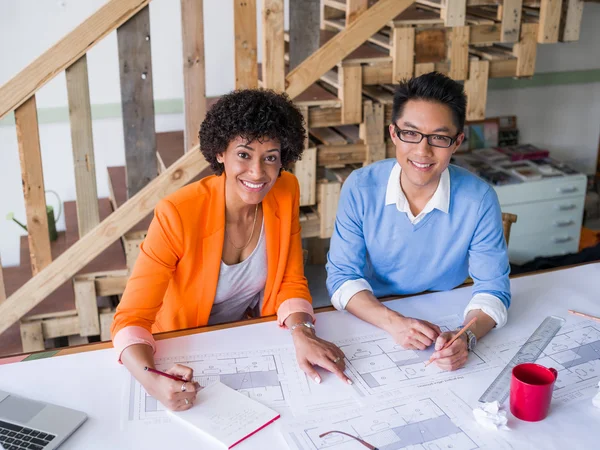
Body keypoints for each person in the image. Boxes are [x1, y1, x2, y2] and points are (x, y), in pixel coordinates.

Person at [112, 89, 350, 412]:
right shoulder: (177, 214)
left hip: (244, 341)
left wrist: (302, 331)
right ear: (220, 152)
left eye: (270, 157)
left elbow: (290, 281)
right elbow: (130, 319)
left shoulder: (285, 192)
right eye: (244, 154)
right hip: (179, 351)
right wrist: (152, 379)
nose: (257, 172)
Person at [326, 72, 510, 371]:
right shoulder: (360, 187)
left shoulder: (479, 198)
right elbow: (342, 277)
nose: (422, 151)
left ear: (457, 141)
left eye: (439, 137)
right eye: (410, 133)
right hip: (374, 313)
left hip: (448, 307)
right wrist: (393, 322)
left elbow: (493, 288)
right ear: (393, 133)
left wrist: (467, 338)